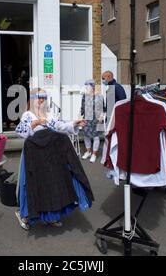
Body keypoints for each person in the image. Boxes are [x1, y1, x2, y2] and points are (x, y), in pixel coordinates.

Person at [14, 88, 86, 230]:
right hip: (33, 158)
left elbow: (60, 126)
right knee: (32, 185)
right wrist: (32, 125)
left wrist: (74, 123)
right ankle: (24, 214)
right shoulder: (28, 115)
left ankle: (50, 216)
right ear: (33, 99)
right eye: (38, 97)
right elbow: (19, 132)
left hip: (51, 157)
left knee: (50, 185)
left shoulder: (50, 114)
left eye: (43, 97)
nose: (41, 100)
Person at [80, 80, 105, 163]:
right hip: (86, 118)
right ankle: (88, 152)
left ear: (93, 86)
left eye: (88, 86)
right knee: (86, 135)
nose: (86, 87)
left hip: (97, 119)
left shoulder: (99, 96)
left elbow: (103, 108)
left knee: (96, 136)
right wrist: (80, 117)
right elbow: (82, 107)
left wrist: (101, 116)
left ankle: (94, 154)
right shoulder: (84, 96)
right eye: (86, 86)